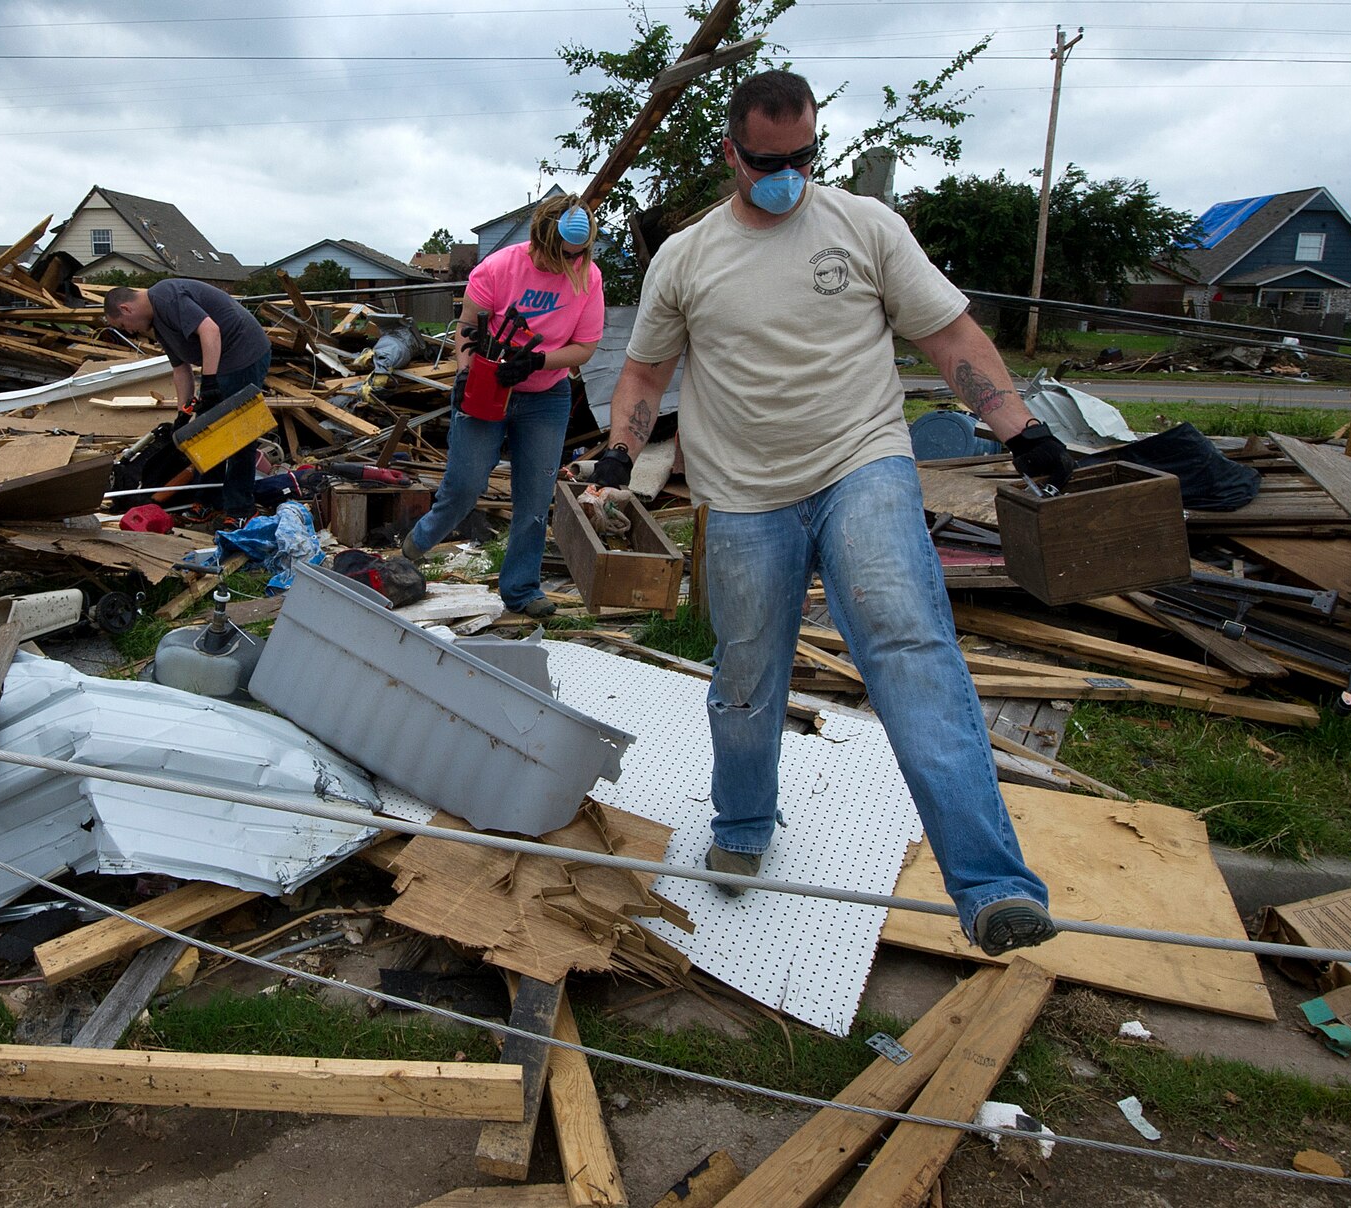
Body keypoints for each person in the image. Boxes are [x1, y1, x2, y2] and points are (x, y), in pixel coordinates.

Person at [594, 70, 1075, 956]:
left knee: (908, 642)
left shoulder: (865, 226)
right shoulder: (687, 256)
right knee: (745, 674)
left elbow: (949, 335)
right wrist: (620, 450)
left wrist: (1023, 430)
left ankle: (992, 884)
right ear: (731, 152)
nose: (788, 173)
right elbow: (646, 370)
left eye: (805, 156)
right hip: (741, 493)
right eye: (768, 161)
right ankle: (743, 822)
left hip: (863, 463)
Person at [401, 193, 606, 619]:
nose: (569, 263)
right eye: (562, 255)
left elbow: (585, 347)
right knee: (465, 485)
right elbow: (466, 328)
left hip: (546, 396)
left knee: (534, 498)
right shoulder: (498, 268)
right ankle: (411, 550)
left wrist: (538, 360)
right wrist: (466, 373)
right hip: (489, 387)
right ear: (542, 241)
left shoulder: (588, 277)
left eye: (577, 255)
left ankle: (521, 590)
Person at [105, 279, 273, 520]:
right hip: (220, 365)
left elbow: (209, 330)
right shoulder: (158, 323)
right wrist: (183, 413)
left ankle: (240, 509)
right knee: (206, 434)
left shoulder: (166, 297)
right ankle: (207, 501)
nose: (129, 331)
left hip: (243, 354)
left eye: (123, 325)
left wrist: (211, 381)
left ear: (125, 309)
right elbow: (180, 369)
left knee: (238, 435)